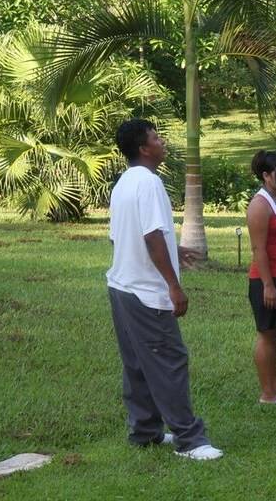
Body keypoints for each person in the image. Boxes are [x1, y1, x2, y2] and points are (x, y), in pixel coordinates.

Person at [106, 118, 222, 461]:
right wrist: (173, 285)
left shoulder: (124, 183)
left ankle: (145, 431)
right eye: (157, 138)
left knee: (138, 364)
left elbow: (122, 236)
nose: (162, 142)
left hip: (121, 286)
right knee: (169, 361)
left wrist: (175, 251)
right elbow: (152, 236)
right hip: (146, 293)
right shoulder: (150, 183)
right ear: (144, 148)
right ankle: (190, 441)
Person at [246, 150, 276, 404]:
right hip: (267, 278)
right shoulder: (259, 205)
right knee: (267, 334)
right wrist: (267, 285)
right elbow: (257, 249)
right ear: (266, 175)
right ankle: (268, 393)